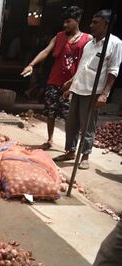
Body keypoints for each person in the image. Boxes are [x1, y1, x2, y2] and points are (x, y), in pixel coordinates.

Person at [54, 10, 122, 171]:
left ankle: (85, 156)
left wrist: (104, 94)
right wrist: (71, 84)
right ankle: (70, 151)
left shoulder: (115, 44)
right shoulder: (89, 44)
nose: (91, 25)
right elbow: (82, 67)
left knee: (87, 126)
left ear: (106, 24)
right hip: (79, 88)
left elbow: (113, 71)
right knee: (71, 124)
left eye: (95, 22)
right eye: (92, 22)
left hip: (94, 91)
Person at [21, 6, 90, 150]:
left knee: (70, 117)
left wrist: (74, 82)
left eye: (68, 21)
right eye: (64, 22)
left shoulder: (87, 39)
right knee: (50, 112)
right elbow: (46, 51)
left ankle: (71, 147)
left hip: (73, 84)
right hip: (54, 81)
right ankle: (50, 140)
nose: (65, 25)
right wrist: (31, 64)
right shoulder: (59, 36)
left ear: (77, 21)